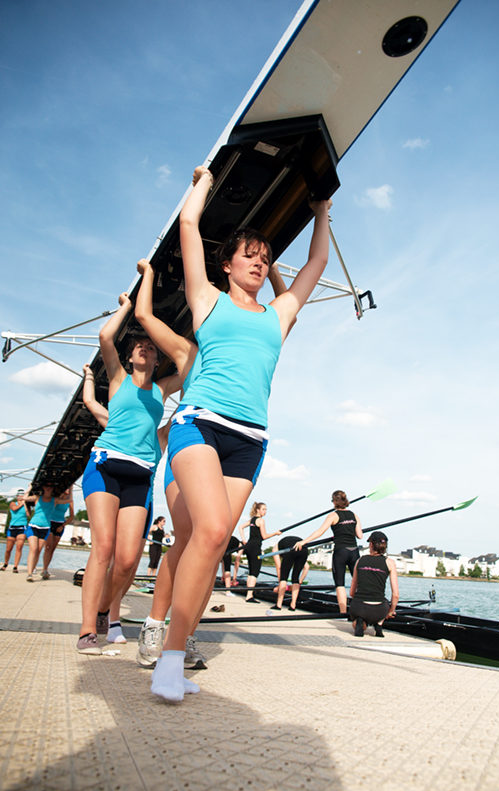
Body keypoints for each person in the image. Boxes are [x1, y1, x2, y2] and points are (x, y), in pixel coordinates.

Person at [150, 163, 331, 702]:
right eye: (248, 255)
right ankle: (169, 658)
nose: (259, 262)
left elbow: (317, 261)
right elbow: (188, 227)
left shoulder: (279, 316)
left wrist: (321, 212)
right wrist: (202, 180)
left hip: (249, 439)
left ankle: (173, 650)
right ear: (226, 265)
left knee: (210, 542)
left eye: (266, 257)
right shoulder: (208, 301)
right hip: (199, 422)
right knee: (205, 533)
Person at [134, 254, 288, 671]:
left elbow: (283, 312)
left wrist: (272, 273)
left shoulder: (254, 335)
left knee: (214, 542)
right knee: (186, 535)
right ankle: (153, 625)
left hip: (236, 441)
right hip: (193, 446)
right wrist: (149, 276)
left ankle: (182, 635)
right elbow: (145, 315)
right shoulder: (187, 352)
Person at [77, 292, 181, 655]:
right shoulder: (118, 377)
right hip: (105, 467)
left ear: (157, 357)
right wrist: (126, 305)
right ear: (129, 355)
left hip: (140, 475)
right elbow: (106, 338)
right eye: (137, 345)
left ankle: (108, 610)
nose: (143, 348)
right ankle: (89, 629)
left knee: (126, 560)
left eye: (150, 346)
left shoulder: (162, 389)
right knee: (103, 548)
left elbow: (191, 363)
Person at [295, 490, 363, 614]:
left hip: (341, 552)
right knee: (358, 583)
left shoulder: (333, 516)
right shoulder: (355, 515)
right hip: (354, 552)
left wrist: (304, 542)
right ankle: (358, 611)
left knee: (340, 584)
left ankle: (343, 613)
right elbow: (360, 535)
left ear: (334, 502)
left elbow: (319, 532)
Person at [349, 531, 399, 637]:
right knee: (385, 605)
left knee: (357, 618)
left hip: (359, 607)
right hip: (379, 609)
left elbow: (352, 592)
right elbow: (395, 595)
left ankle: (360, 622)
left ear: (371, 545)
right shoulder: (390, 563)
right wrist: (391, 611)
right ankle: (379, 624)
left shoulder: (360, 560)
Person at [239, 502, 280, 602]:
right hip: (255, 548)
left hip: (248, 546)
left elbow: (240, 527)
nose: (265, 511)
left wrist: (244, 540)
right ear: (258, 510)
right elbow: (264, 536)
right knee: (254, 573)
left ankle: (249, 594)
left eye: (266, 509)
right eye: (263, 509)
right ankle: (249, 596)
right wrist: (275, 533)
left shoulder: (252, 520)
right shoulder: (261, 521)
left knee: (251, 571)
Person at [24, 484, 59, 581]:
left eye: (50, 487)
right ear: (43, 487)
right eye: (46, 486)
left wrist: (71, 489)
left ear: (53, 489)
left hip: (45, 528)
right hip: (33, 526)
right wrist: (30, 487)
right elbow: (25, 498)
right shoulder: (37, 498)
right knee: (34, 549)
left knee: (38, 550)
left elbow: (69, 500)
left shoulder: (54, 500)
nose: (48, 488)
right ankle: (30, 574)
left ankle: (34, 568)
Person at [41, 486, 74, 579]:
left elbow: (71, 517)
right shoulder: (55, 498)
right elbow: (50, 508)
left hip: (60, 525)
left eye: (68, 489)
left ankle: (46, 568)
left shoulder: (70, 501)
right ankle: (44, 569)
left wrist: (63, 525)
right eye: (65, 488)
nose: (66, 491)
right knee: (48, 546)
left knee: (52, 549)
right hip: (50, 522)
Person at [271, 535, 309, 611]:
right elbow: (307, 567)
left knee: (283, 577)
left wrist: (279, 586)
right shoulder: (285, 543)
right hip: (304, 549)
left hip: (291, 549)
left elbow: (279, 568)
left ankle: (279, 605)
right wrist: (300, 582)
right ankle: (293, 605)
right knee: (295, 578)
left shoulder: (275, 550)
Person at [1, 489, 29, 572]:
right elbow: (14, 509)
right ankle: (6, 563)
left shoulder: (26, 505)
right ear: (17, 496)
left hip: (22, 527)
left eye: (22, 495)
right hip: (13, 527)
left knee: (19, 547)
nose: (21, 497)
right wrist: (22, 504)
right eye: (19, 495)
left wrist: (25, 505)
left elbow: (28, 514)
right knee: (8, 549)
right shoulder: (13, 503)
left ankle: (15, 566)